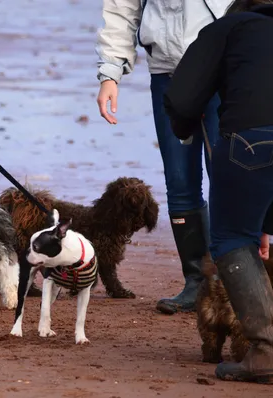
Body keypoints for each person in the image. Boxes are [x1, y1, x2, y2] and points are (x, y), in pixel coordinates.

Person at [95, 0, 234, 314]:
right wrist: (110, 74)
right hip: (167, 75)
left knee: (229, 178)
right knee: (180, 182)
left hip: (224, 69)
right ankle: (196, 283)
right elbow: (121, 8)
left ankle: (234, 284)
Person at [163, 0, 273, 383]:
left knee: (231, 238)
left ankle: (265, 353)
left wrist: (182, 126)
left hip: (251, 140)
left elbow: (183, 95)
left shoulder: (229, 28)